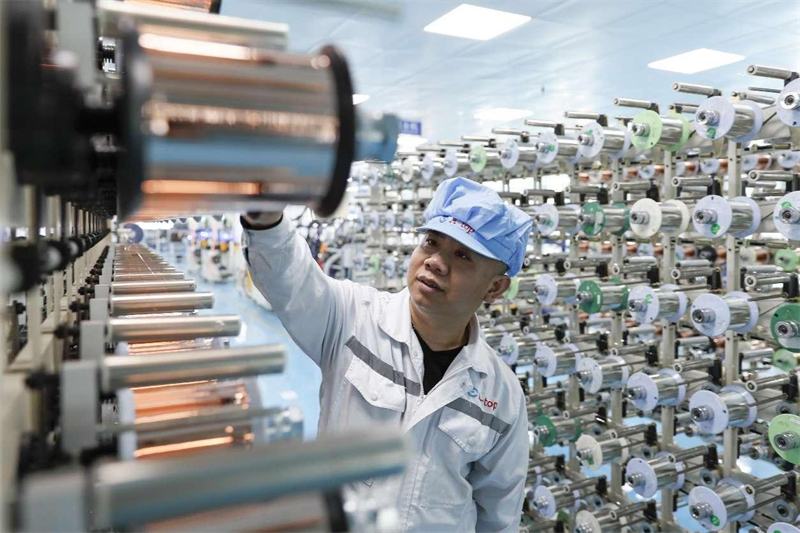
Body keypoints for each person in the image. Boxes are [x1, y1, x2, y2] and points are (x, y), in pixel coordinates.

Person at [242, 176, 533, 532]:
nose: (435, 262)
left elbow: (499, 515)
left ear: (495, 287)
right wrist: (265, 212)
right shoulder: (353, 318)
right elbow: (288, 276)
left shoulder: (502, 395)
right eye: (431, 242)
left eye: (462, 255)